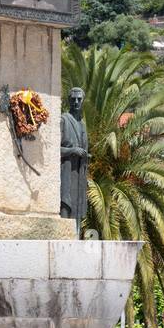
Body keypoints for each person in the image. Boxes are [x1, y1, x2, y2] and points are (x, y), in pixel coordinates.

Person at [60, 86, 89, 234]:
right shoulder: (63, 120)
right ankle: (63, 237)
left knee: (77, 209)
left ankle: (74, 237)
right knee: (66, 205)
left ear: (83, 100)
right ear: (68, 100)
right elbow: (53, 150)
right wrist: (72, 150)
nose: (76, 102)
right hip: (66, 172)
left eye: (79, 99)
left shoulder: (82, 124)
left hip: (79, 174)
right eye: (73, 99)